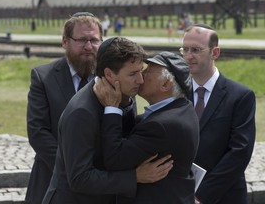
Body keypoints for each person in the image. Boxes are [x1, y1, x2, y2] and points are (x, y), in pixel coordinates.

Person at [41, 37, 174, 204]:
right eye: (133, 74)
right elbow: (79, 179)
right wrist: (135, 177)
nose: (140, 80)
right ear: (109, 74)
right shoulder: (81, 113)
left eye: (141, 71)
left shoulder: (126, 97)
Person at [94, 51, 200, 204]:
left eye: (148, 71)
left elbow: (114, 159)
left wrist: (112, 108)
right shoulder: (183, 107)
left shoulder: (161, 126)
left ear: (165, 85)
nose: (141, 76)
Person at [26, 11, 104, 204]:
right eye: (81, 40)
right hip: (52, 183)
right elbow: (38, 132)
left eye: (94, 40)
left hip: (101, 186)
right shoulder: (43, 77)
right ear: (65, 42)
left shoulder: (112, 77)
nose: (88, 47)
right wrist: (73, 169)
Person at [181, 23, 256, 204]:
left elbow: (239, 153)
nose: (188, 56)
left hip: (224, 196)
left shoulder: (240, 96)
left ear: (215, 53)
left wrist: (202, 196)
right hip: (181, 195)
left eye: (196, 50)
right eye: (185, 49)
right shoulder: (178, 93)